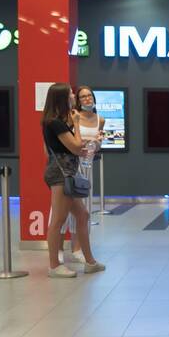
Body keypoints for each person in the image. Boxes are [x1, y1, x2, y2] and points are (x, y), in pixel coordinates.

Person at [42, 82, 104, 278]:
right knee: (58, 220)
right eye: (70, 94)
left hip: (67, 171)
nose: (73, 96)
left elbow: (72, 147)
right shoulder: (55, 122)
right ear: (62, 98)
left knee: (83, 215)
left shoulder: (58, 120)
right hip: (61, 174)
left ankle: (90, 261)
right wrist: (77, 123)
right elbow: (76, 147)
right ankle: (54, 265)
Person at [62, 86, 106, 265]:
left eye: (89, 96)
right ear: (78, 101)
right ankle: (60, 249)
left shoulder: (100, 120)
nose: (87, 99)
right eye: (83, 97)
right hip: (72, 165)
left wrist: (97, 143)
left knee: (84, 209)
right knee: (66, 206)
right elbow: (68, 141)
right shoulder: (73, 117)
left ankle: (77, 248)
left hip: (88, 166)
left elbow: (98, 145)